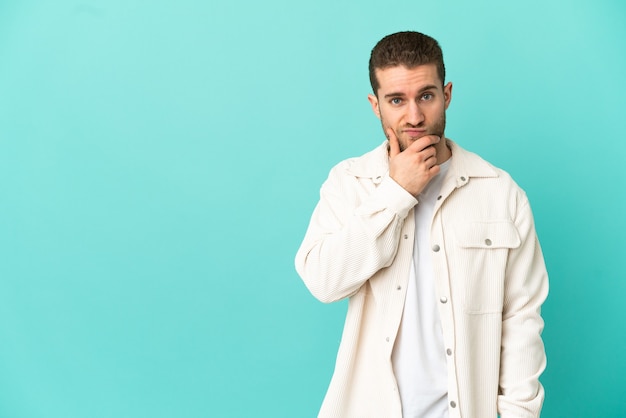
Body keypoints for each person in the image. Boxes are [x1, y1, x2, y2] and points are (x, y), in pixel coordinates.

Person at [294, 31, 549, 418]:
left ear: (446, 94)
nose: (413, 116)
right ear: (375, 105)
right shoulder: (350, 183)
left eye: (426, 96)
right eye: (396, 100)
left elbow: (521, 319)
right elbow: (322, 281)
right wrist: (396, 193)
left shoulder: (501, 193)